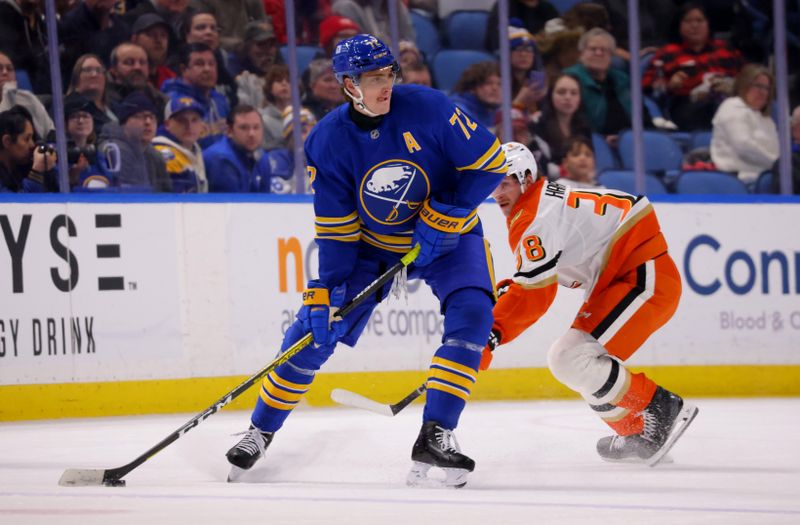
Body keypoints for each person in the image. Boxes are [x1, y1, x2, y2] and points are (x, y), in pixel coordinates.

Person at [225, 34, 507, 488]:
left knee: (473, 312)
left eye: (388, 74)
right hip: (372, 249)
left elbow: (490, 164)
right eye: (373, 78)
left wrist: (450, 210)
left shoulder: (430, 108)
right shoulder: (327, 141)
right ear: (347, 84)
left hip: (447, 235)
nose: (386, 85)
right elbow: (336, 228)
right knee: (314, 330)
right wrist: (328, 287)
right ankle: (260, 429)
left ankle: (437, 432)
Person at [484, 141, 698, 465]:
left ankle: (661, 407)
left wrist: (491, 332)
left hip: (644, 277)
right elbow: (535, 278)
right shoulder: (539, 204)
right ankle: (636, 431)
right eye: (492, 184)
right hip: (623, 278)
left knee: (572, 357)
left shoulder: (534, 216)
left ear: (526, 177)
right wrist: (507, 297)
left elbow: (536, 293)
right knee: (572, 360)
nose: (497, 192)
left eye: (504, 182)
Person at [642, 3, 743, 131]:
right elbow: (646, 87)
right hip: (687, 105)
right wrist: (669, 85)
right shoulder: (667, 53)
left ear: (708, 24)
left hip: (730, 101)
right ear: (679, 25)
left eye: (700, 20)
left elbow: (747, 76)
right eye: (688, 21)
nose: (694, 25)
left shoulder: (725, 49)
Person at [564, 28, 641, 142]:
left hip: (629, 142)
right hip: (592, 143)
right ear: (582, 53)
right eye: (593, 49)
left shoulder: (623, 79)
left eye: (604, 50)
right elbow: (575, 122)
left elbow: (642, 115)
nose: (598, 53)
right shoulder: (571, 80)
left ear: (611, 56)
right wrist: (603, 140)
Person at [710, 64, 779, 185]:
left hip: (766, 176)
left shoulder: (767, 119)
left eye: (767, 88)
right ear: (744, 85)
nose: (763, 92)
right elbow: (744, 148)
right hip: (737, 180)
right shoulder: (732, 106)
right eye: (758, 86)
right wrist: (778, 165)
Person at [99, 90, 171, 191]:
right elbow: (131, 196)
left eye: (152, 117)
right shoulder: (114, 150)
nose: (148, 122)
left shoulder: (153, 155)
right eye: (140, 116)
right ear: (124, 123)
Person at [162, 42, 230, 147]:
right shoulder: (173, 101)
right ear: (184, 69)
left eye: (211, 64)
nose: (207, 69)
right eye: (199, 64)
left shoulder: (220, 100)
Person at [204, 104, 275, 192]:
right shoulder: (220, 159)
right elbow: (232, 204)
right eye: (244, 128)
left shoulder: (262, 156)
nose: (251, 134)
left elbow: (267, 202)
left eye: (256, 127)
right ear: (229, 131)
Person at [534, 72, 591, 174]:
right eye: (561, 92)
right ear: (550, 96)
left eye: (574, 93)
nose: (568, 97)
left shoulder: (585, 128)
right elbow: (538, 166)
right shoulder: (538, 125)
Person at [152, 95, 208, 192]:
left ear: (202, 124)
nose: (189, 126)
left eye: (194, 120)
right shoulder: (165, 154)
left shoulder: (193, 149)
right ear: (167, 124)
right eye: (181, 120)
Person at [106, 42, 169, 122]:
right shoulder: (104, 101)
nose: (137, 67)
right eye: (129, 62)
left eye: (142, 62)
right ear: (114, 70)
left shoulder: (161, 101)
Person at [0, 106, 57, 192]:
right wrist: (36, 173)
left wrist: (48, 170)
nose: (32, 145)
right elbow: (15, 203)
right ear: (7, 141)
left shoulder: (18, 170)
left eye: (32, 139)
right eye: (26, 139)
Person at [0, 51, 54, 140]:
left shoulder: (28, 98)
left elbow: (49, 131)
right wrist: (6, 97)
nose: (5, 72)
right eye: (0, 69)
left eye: (10, 69)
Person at [265, 105, 318, 193]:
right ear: (290, 137)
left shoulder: (322, 162)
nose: (310, 136)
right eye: (303, 131)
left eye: (313, 131)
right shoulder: (277, 159)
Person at [189, 0, 268, 51]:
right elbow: (204, 38)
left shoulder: (252, 2)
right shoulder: (202, 3)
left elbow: (265, 30)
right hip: (218, 53)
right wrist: (242, 44)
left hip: (247, 51)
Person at [485, 0, 559, 52]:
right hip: (512, 57)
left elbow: (560, 37)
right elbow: (496, 42)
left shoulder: (547, 8)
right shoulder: (504, 7)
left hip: (543, 55)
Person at [66, 54, 116, 129]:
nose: (94, 75)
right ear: (76, 77)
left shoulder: (115, 106)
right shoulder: (71, 106)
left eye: (99, 70)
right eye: (87, 70)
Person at [331, 0, 415, 45]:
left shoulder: (394, 4)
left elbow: (409, 39)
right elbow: (361, 47)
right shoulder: (345, 6)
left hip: (397, 63)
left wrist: (407, 51)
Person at [449, 61, 502, 130]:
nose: (495, 88)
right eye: (488, 83)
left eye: (500, 84)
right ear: (472, 88)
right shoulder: (459, 111)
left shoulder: (498, 111)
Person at [131, 13, 177, 89]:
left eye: (163, 35)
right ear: (134, 39)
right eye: (151, 34)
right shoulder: (125, 74)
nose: (159, 40)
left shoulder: (170, 78)